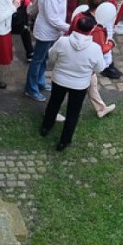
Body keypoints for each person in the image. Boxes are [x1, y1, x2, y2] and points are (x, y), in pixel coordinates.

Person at [39, 14, 106, 151]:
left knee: (54, 103)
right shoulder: (95, 49)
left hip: (59, 79)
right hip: (80, 85)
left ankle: (46, 127)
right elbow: (100, 67)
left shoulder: (63, 41)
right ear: (91, 29)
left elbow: (52, 56)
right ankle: (64, 141)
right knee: (73, 112)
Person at [26, 0, 70, 101]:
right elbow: (53, 20)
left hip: (52, 32)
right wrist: (70, 27)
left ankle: (40, 81)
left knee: (44, 58)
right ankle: (31, 88)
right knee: (38, 60)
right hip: (47, 32)